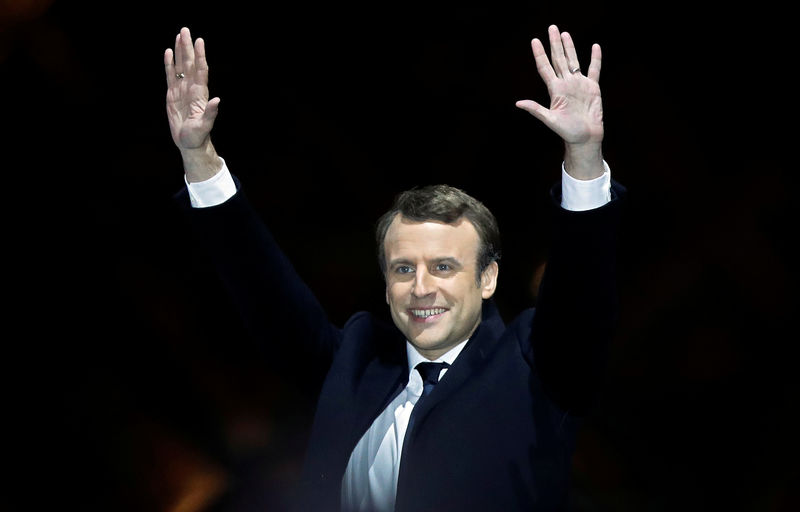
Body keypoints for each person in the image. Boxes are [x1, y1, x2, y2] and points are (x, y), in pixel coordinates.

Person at [165, 24, 625, 512]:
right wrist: (199, 158)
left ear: (487, 277)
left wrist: (583, 157)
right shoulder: (356, 363)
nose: (421, 287)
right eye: (404, 269)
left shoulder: (535, 366)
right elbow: (266, 295)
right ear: (386, 285)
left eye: (443, 266)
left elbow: (580, 296)